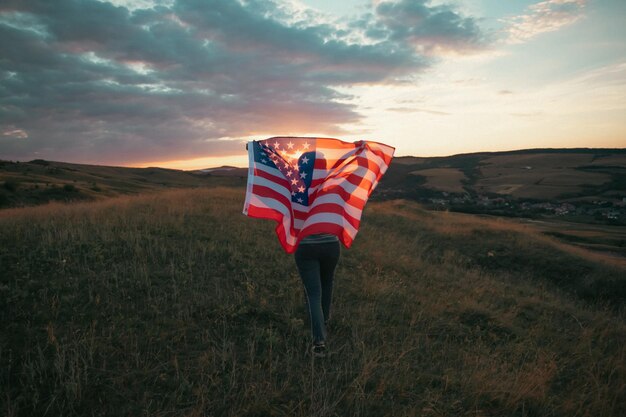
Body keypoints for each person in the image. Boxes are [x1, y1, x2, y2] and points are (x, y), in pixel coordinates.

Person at [294, 233, 340, 358]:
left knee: (313, 293)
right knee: (327, 284)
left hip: (306, 246)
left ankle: (319, 343)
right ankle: (323, 322)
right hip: (331, 244)